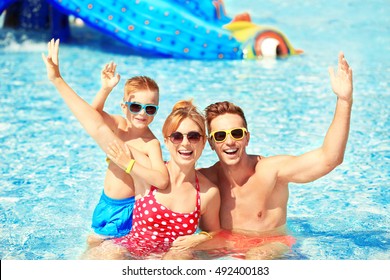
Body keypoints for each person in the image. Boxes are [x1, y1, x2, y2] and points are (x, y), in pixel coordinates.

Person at [198, 52, 353, 259]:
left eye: (236, 133)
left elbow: (329, 158)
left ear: (247, 138)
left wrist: (344, 100)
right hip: (226, 246)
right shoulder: (205, 180)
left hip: (270, 245)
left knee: (255, 259)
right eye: (220, 136)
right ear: (211, 143)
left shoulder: (271, 171)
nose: (229, 142)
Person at [41, 39, 169, 247]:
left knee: (101, 253)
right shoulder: (119, 125)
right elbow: (93, 116)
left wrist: (128, 164)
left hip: (126, 208)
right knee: (92, 245)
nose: (143, 113)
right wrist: (106, 89)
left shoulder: (150, 143)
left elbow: (161, 179)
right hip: (105, 202)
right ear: (124, 106)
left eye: (150, 108)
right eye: (136, 106)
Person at [81, 100, 221, 260]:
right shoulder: (148, 171)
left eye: (194, 136)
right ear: (167, 141)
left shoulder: (207, 193)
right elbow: (98, 128)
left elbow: (215, 235)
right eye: (176, 137)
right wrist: (57, 80)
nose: (185, 143)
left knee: (178, 258)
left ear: (203, 142)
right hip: (130, 252)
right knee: (107, 254)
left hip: (172, 260)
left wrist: (202, 237)